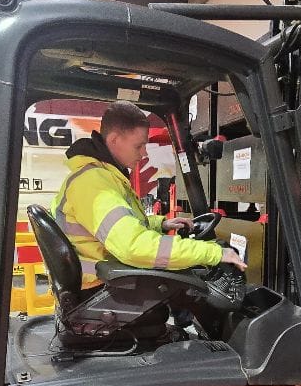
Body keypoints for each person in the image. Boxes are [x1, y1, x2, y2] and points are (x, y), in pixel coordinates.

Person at [51, 101, 246, 288]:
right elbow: (134, 246)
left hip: (110, 277)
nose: (144, 153)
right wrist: (214, 253)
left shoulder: (104, 176)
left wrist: (161, 224)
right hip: (102, 287)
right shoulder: (93, 183)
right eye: (139, 146)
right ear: (114, 140)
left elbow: (120, 227)